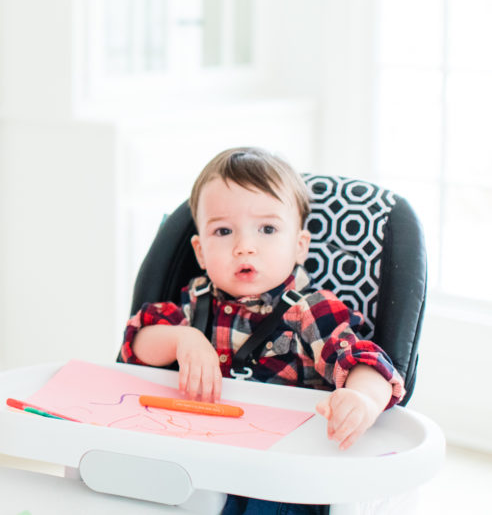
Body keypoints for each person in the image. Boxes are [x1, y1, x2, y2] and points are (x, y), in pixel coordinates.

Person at [119, 147, 404, 515]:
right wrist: (183, 339)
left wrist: (362, 400)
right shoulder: (195, 302)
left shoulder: (309, 311)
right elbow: (137, 345)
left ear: (300, 246)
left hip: (285, 476)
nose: (244, 247)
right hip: (202, 464)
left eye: (267, 229)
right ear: (201, 251)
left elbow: (366, 361)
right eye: (223, 231)